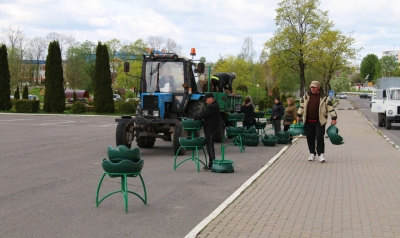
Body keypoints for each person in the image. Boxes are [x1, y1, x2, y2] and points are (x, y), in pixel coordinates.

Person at [297, 81, 337, 163]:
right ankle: (312, 153)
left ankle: (321, 154)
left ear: (318, 87)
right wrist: (298, 115)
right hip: (308, 121)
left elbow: (330, 107)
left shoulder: (324, 97)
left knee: (319, 136)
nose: (312, 89)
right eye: (311, 87)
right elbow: (301, 106)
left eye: (314, 87)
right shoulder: (306, 96)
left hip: (320, 121)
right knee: (310, 137)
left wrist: (334, 117)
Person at [194, 93, 221, 170]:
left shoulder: (213, 106)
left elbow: (204, 114)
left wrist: (196, 117)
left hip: (211, 129)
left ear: (211, 98)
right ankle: (211, 163)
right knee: (210, 147)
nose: (205, 101)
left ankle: (212, 164)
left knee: (210, 147)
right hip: (210, 129)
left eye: (206, 99)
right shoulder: (214, 105)